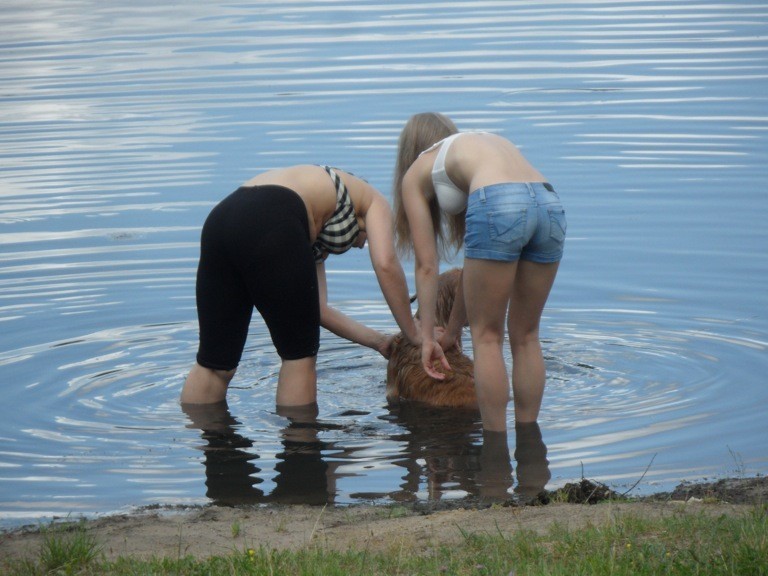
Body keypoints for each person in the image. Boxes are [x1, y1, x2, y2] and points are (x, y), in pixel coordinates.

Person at [181, 164, 421, 407]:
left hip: (221, 221)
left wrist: (380, 341)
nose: (361, 245)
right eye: (365, 240)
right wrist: (413, 333)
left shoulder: (314, 208)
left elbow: (318, 309)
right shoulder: (374, 200)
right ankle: (301, 442)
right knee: (299, 359)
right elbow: (386, 264)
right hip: (274, 220)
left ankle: (196, 439)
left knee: (215, 365)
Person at [392, 113, 566, 432]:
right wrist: (455, 328)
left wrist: (427, 336)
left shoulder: (418, 170)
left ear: (410, 150)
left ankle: (495, 455)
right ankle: (530, 447)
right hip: (549, 202)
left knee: (487, 339)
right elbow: (474, 266)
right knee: (527, 336)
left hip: (501, 202)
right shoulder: (480, 144)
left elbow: (427, 265)